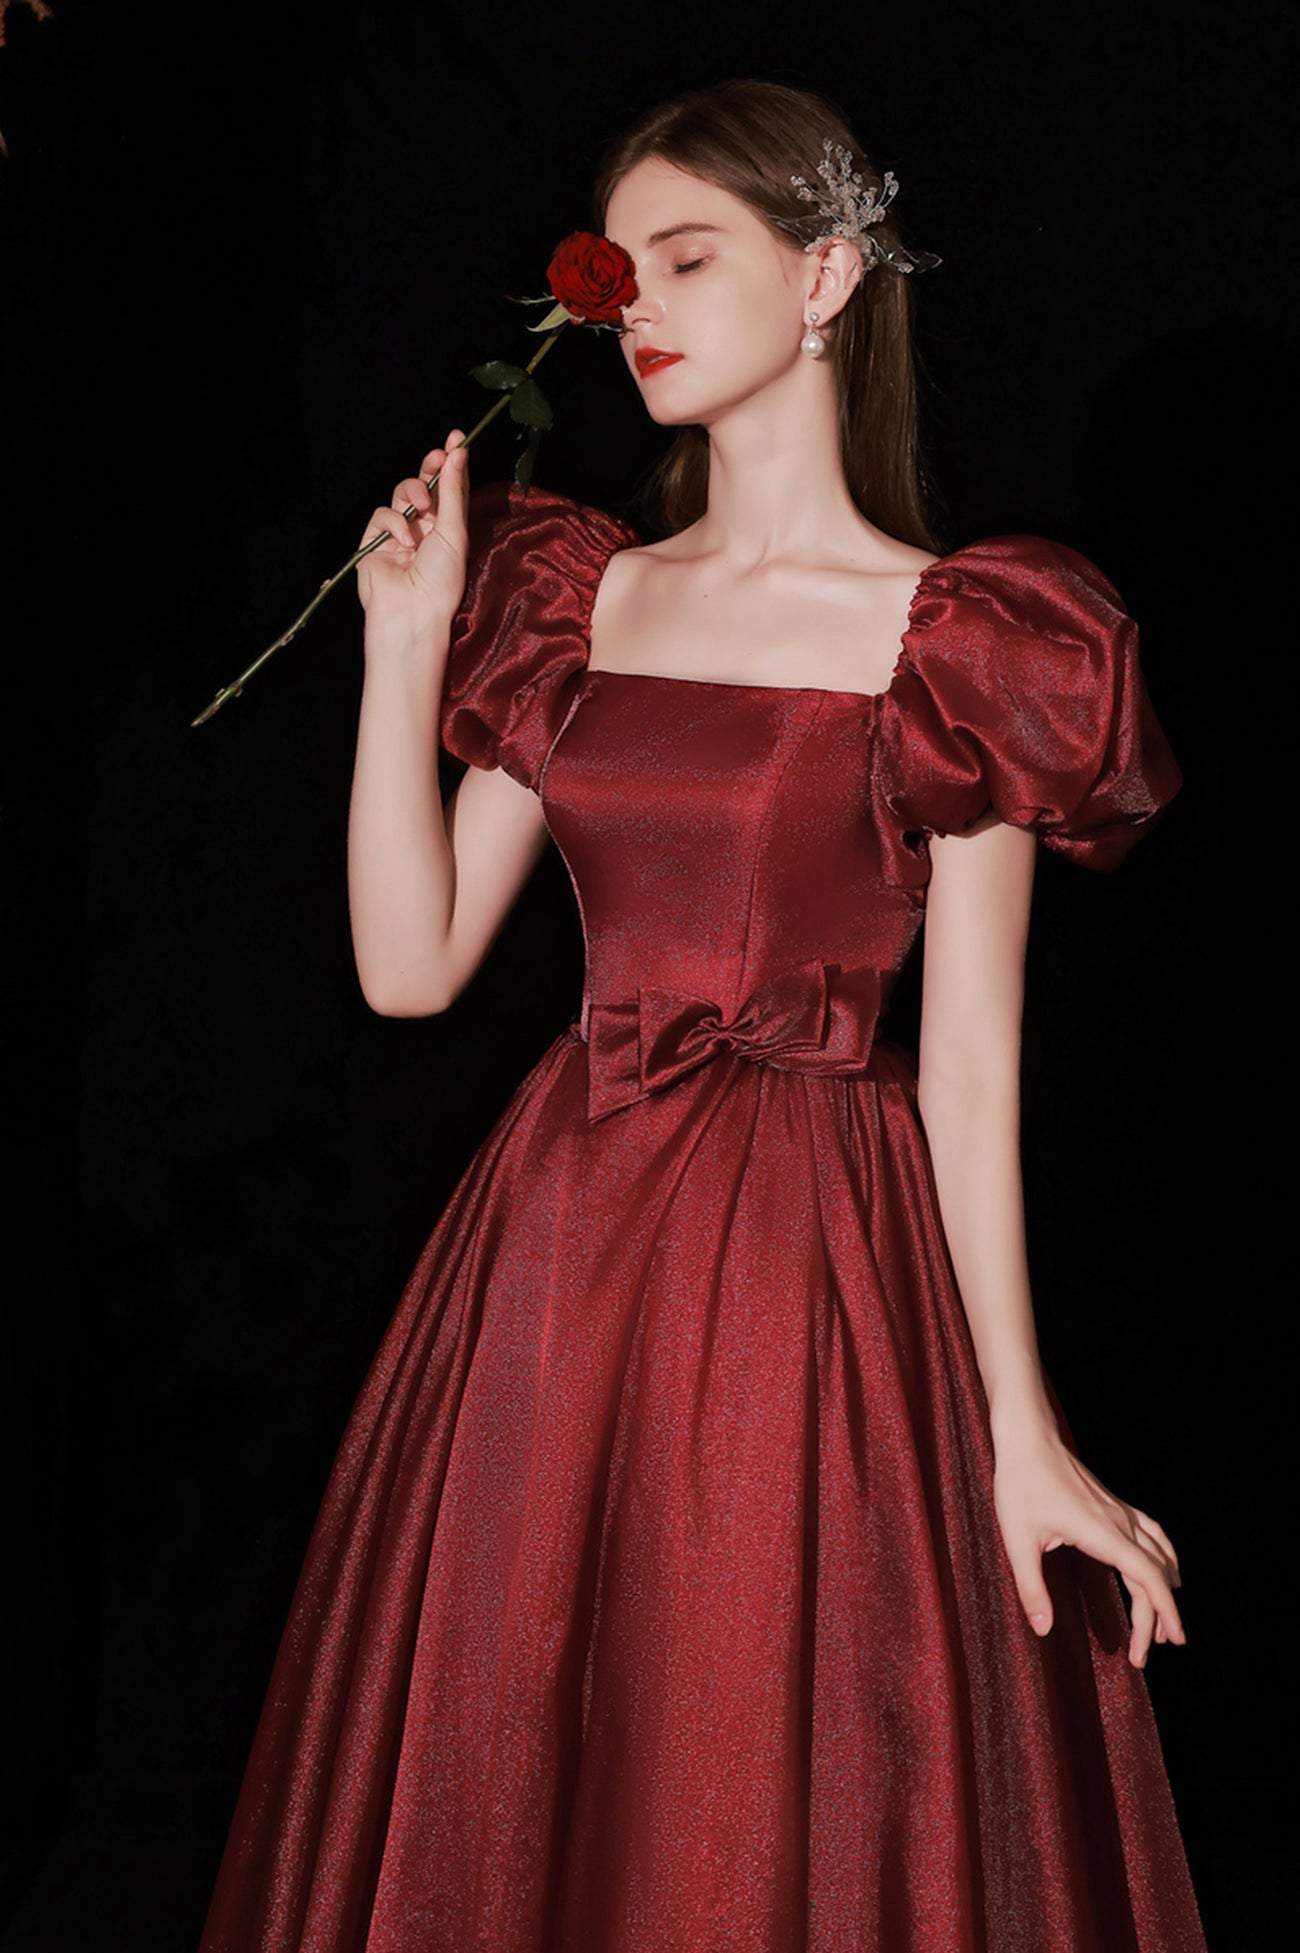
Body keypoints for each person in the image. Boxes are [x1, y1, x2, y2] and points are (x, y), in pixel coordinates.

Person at [200, 77, 1207, 1953]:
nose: (636, 309)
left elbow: (973, 1065)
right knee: (525, 1754)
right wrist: (403, 646)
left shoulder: (964, 639)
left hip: (813, 1261)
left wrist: (1023, 1425)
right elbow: (411, 965)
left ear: (825, 278)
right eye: (617, 274)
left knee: (757, 1750)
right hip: (560, 1237)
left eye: (686, 259)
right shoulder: (578, 600)